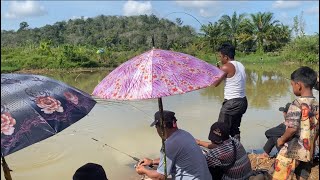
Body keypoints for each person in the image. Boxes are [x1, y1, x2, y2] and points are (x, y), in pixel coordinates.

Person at [271, 66, 319, 180]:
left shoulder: (297, 104)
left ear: (299, 85)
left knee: (279, 175)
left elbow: (292, 129)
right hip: (308, 152)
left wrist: (281, 140)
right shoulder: (317, 104)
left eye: (292, 85)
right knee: (301, 176)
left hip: (292, 150)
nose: (292, 88)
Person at [135, 110, 212, 180]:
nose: (156, 130)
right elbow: (172, 157)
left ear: (162, 126)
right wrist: (152, 161)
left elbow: (160, 176)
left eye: (156, 127)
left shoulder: (169, 144)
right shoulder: (185, 134)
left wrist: (144, 170)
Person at [214, 43, 248, 141]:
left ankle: (222, 152)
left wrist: (216, 71)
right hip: (242, 102)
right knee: (234, 129)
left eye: (220, 56)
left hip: (232, 103)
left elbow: (215, 84)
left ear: (226, 56)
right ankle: (237, 151)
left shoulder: (225, 67)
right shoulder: (240, 65)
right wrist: (219, 70)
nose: (220, 59)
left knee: (220, 130)